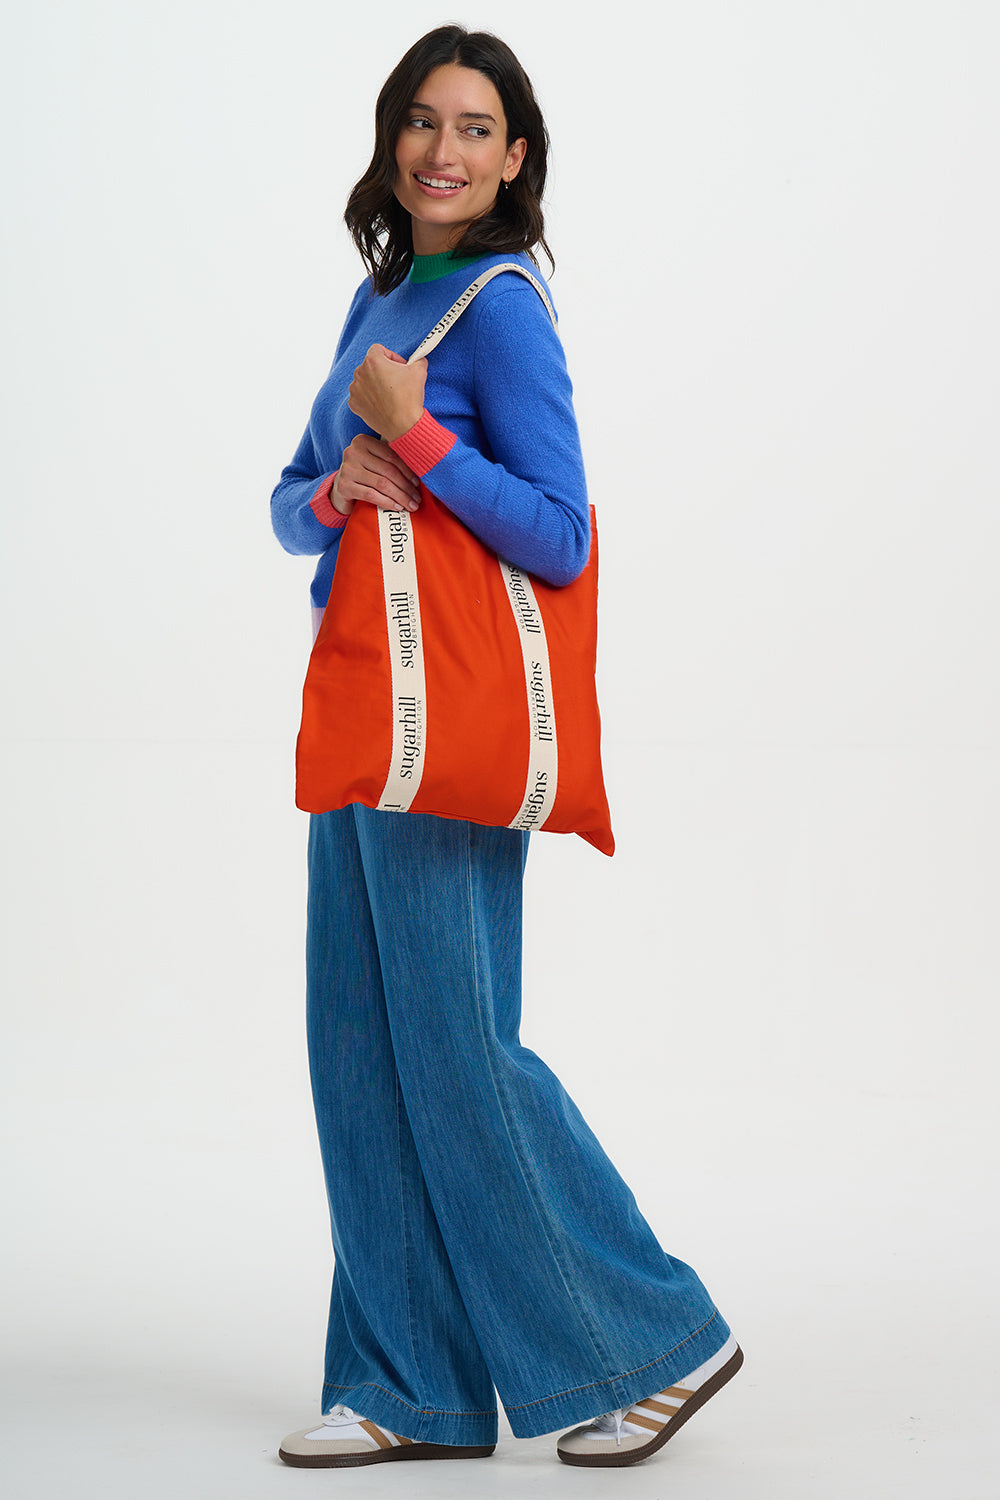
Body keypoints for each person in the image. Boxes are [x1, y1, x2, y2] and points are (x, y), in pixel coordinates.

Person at [269, 24, 741, 1472]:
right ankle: (408, 1386)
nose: (443, 150)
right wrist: (346, 484)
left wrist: (418, 447)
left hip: (444, 731)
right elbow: (289, 507)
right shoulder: (380, 296)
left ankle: (653, 1339)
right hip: (363, 718)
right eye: (422, 121)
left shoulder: (500, 307)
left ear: (516, 156)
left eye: (476, 127)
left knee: (460, 1052)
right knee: (359, 1053)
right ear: (392, 138)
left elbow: (559, 534)